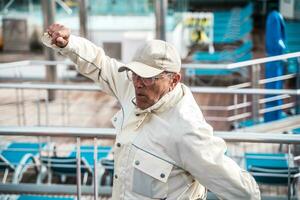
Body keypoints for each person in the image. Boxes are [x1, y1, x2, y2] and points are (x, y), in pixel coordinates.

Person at [42, 23, 260, 200]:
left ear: (174, 80)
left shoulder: (187, 131)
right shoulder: (133, 86)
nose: (137, 83)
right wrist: (70, 44)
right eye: (135, 74)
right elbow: (101, 65)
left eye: (148, 77)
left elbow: (245, 193)